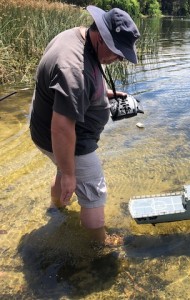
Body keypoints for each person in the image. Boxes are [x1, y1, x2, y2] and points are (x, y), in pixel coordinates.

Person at [29, 5, 140, 246]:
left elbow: (71, 90)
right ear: (100, 36)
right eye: (117, 52)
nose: (119, 58)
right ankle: (98, 246)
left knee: (62, 170)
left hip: (45, 132)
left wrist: (104, 94)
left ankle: (56, 210)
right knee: (94, 193)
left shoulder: (76, 36)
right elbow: (61, 128)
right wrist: (71, 173)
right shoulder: (74, 70)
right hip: (68, 138)